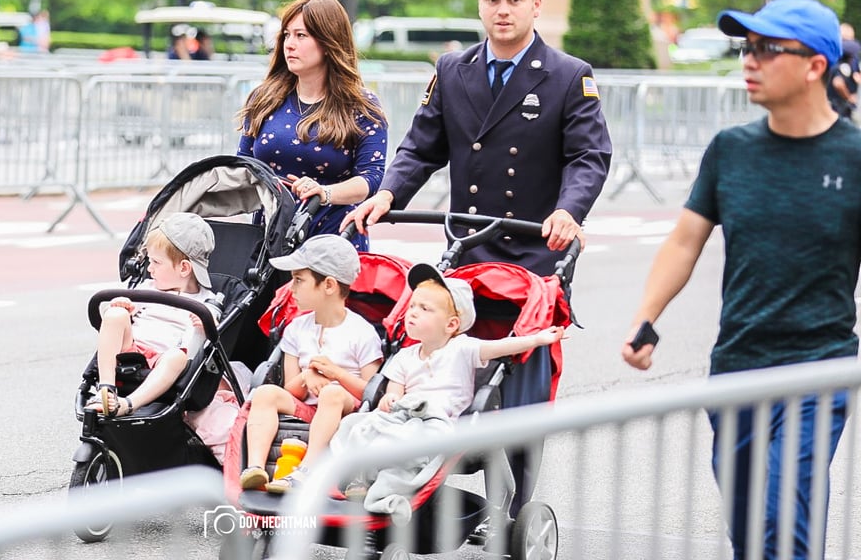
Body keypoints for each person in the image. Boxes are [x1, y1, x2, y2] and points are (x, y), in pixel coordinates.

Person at [344, 0, 611, 511]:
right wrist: (387, 193)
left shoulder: (567, 76)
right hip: (468, 252)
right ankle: (407, 472)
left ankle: (514, 504)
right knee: (436, 367)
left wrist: (570, 210)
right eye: (492, 0)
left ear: (537, 5)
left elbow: (588, 157)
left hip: (537, 259)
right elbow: (421, 147)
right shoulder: (452, 70)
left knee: (519, 390)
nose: (503, 10)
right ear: (480, 5)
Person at [622, 0, 859, 560]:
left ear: (815, 66)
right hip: (736, 366)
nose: (749, 61)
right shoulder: (731, 150)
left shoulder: (855, 158)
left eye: (766, 50)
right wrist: (646, 318)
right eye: (746, 48)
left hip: (817, 370)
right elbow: (685, 240)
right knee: (751, 531)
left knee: (786, 524)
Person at [330, 263, 564, 517]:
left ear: (452, 324)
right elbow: (394, 389)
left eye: (425, 309)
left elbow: (502, 347)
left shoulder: (462, 349)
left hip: (440, 422)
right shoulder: (405, 355)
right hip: (403, 415)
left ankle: (387, 490)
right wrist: (391, 397)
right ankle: (361, 476)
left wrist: (539, 339)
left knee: (405, 440)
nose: (413, 313)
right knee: (359, 425)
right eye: (411, 306)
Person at [237, 0, 388, 251]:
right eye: (286, 35)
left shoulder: (362, 106)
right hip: (268, 242)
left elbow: (371, 178)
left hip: (333, 240)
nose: (289, 44)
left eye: (301, 35)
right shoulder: (264, 97)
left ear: (329, 42)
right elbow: (243, 162)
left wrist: (324, 193)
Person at [238, 234, 384, 494]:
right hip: (306, 406)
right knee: (265, 392)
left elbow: (370, 394)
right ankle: (255, 468)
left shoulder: (362, 333)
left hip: (346, 409)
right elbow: (290, 391)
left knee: (332, 393)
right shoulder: (296, 329)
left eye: (299, 280)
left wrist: (336, 373)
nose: (291, 288)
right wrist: (307, 376)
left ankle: (307, 469)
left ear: (328, 285)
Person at [86, 212, 222, 418]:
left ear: (184, 268)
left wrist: (206, 324)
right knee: (115, 315)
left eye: (156, 262)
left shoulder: (205, 300)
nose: (149, 269)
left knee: (178, 357)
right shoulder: (148, 287)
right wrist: (121, 306)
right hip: (131, 349)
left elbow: (213, 329)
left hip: (164, 359)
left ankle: (129, 403)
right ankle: (106, 389)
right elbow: (114, 314)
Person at [827, 21, 859, 121]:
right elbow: (838, 83)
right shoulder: (845, 60)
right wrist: (849, 97)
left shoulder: (829, 54)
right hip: (840, 105)